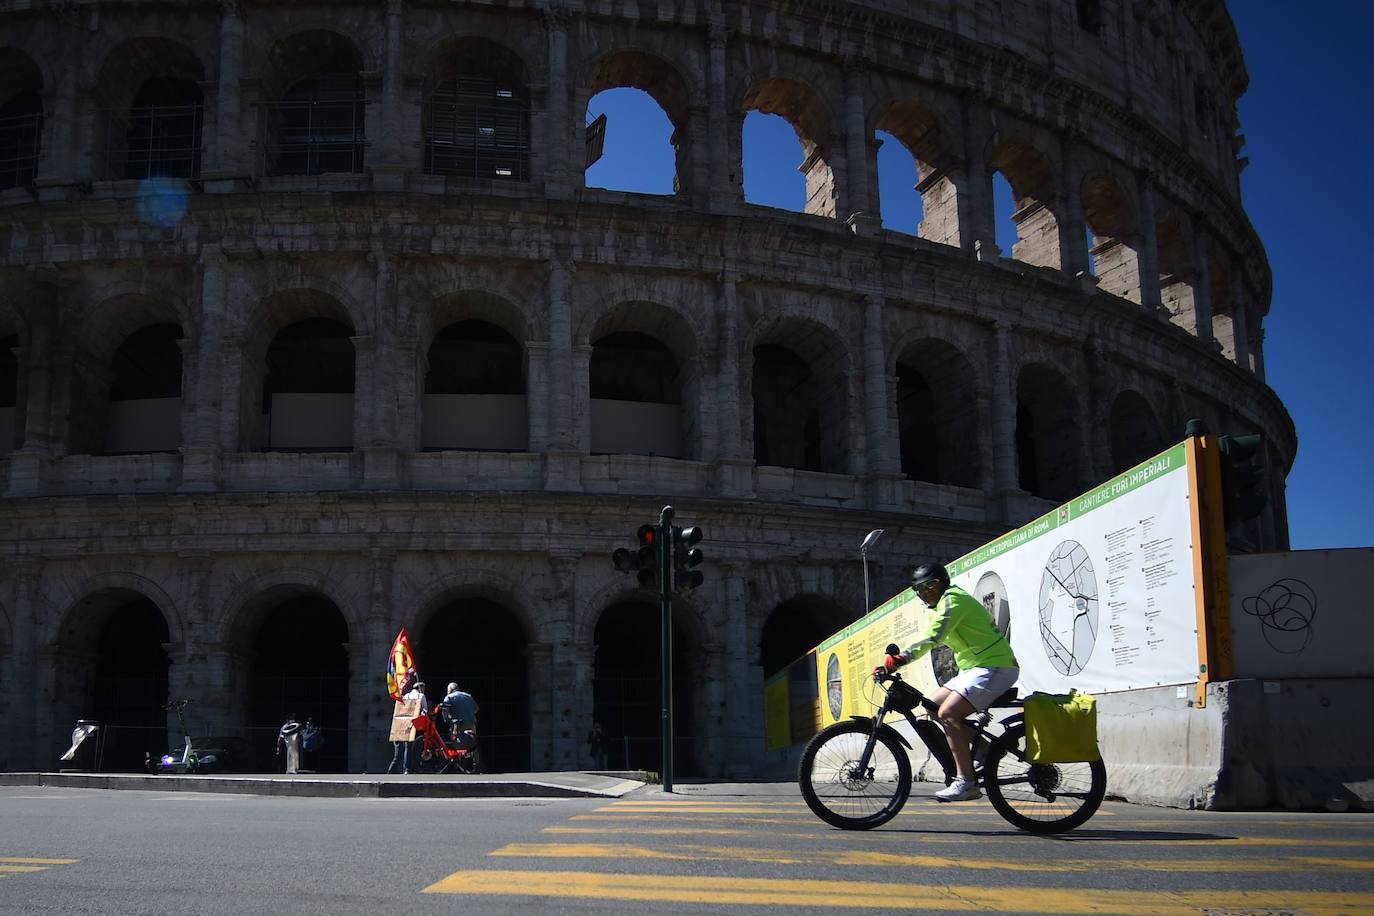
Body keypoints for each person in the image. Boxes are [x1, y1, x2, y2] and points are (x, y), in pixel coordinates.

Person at [873, 561, 1018, 803]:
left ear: (944, 583)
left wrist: (900, 659)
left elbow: (933, 636)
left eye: (932, 587)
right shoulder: (942, 605)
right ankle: (986, 749)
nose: (928, 593)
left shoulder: (954, 600)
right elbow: (927, 636)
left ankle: (967, 782)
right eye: (922, 590)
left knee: (949, 714)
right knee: (932, 706)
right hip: (975, 669)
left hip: (996, 666)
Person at [388, 680, 428, 775]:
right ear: (421, 688)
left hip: (401, 724)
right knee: (409, 747)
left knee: (399, 750)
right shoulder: (421, 696)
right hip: (414, 725)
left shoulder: (405, 696)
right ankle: (407, 769)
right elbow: (425, 710)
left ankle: (391, 770)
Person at [439, 681, 479, 751]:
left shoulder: (448, 697)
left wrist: (448, 721)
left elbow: (445, 712)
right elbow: (476, 708)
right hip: (471, 724)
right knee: (472, 744)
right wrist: (468, 714)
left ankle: (459, 760)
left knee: (458, 745)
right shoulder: (468, 696)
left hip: (458, 725)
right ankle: (474, 759)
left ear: (450, 689)